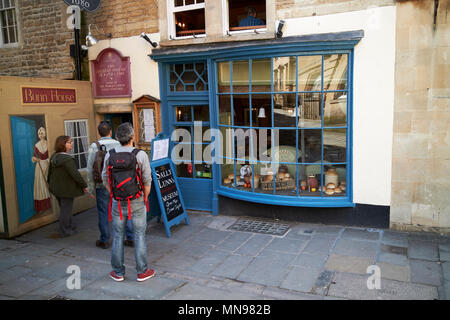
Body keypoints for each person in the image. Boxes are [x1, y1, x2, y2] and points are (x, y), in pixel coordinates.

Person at [102, 122, 154, 282]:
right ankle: (142, 271)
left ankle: (118, 272)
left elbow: (105, 178)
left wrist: (114, 194)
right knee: (139, 235)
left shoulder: (109, 155)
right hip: (137, 200)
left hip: (117, 201)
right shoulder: (140, 155)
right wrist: (144, 198)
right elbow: (147, 180)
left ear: (118, 138)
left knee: (118, 235)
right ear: (132, 137)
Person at [87, 121, 135, 250]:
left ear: (99, 132)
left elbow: (89, 169)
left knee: (103, 212)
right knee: (124, 211)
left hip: (102, 185)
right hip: (119, 184)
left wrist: (91, 188)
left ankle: (105, 239)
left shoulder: (94, 146)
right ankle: (130, 237)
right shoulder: (118, 143)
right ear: (111, 132)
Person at [48, 136, 88, 237]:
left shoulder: (54, 156)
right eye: (69, 142)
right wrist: (84, 185)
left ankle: (70, 225)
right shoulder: (67, 159)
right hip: (66, 189)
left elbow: (49, 173)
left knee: (64, 209)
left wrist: (50, 184)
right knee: (66, 210)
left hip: (56, 189)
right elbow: (75, 175)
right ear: (63, 145)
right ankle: (65, 230)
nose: (72, 144)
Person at [31, 127, 51, 212]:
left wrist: (48, 160)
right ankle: (42, 207)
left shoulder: (48, 143)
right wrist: (35, 159)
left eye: (42, 133)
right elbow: (34, 156)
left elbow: (50, 154)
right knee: (41, 184)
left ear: (45, 134)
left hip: (48, 164)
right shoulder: (36, 145)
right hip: (40, 167)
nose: (41, 135)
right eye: (39, 134)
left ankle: (49, 204)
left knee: (48, 182)